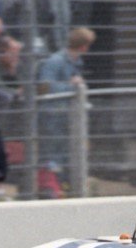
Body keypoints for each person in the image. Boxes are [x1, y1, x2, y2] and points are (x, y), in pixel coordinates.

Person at [36, 26, 95, 197]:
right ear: (84, 46)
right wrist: (71, 86)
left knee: (69, 152)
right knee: (52, 153)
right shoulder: (55, 61)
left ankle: (64, 186)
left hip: (68, 117)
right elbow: (44, 87)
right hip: (52, 116)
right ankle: (50, 189)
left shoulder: (75, 63)